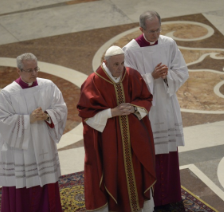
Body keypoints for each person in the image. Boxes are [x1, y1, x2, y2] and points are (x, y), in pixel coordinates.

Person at [123, 11, 189, 209]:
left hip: (167, 106)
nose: (156, 34)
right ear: (141, 29)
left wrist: (167, 75)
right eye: (151, 31)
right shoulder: (130, 51)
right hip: (148, 111)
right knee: (149, 155)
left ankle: (172, 198)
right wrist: (151, 76)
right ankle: (152, 202)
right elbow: (128, 84)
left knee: (169, 153)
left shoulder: (168, 43)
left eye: (158, 29)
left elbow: (182, 71)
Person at [77, 46, 156, 212]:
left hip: (134, 139)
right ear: (105, 62)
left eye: (122, 63)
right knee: (112, 173)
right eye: (115, 64)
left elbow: (146, 98)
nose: (120, 68)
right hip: (108, 141)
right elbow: (86, 113)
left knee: (137, 171)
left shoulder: (132, 75)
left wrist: (134, 108)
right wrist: (111, 112)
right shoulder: (94, 81)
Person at [0, 53, 67, 212]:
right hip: (22, 151)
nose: (34, 74)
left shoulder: (48, 86)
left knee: (46, 184)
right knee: (24, 193)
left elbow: (61, 108)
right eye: (29, 70)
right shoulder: (8, 93)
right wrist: (29, 120)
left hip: (43, 146)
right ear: (18, 71)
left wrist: (48, 115)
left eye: (36, 69)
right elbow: (2, 121)